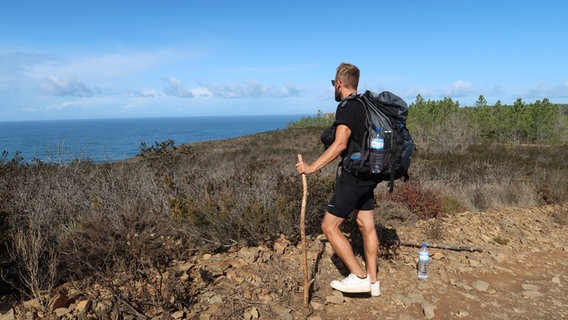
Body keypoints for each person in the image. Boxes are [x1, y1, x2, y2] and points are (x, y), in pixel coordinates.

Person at [296, 62, 381, 297]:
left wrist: (311, 167)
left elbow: (341, 143)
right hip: (371, 172)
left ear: (340, 83)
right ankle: (373, 281)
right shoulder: (367, 105)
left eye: (334, 83)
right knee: (366, 225)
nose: (334, 87)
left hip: (354, 175)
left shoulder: (346, 106)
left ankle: (359, 276)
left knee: (329, 226)